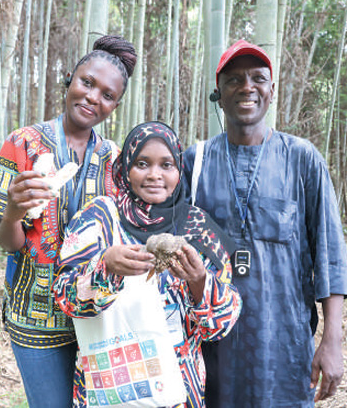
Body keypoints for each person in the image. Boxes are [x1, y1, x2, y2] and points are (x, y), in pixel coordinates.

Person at [183, 39, 347, 408]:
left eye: (258, 78)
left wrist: (332, 341)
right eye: (234, 80)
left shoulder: (302, 159)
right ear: (218, 94)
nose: (247, 87)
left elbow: (330, 256)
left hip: (284, 349)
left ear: (272, 91)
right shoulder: (195, 162)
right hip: (212, 348)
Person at [0, 35, 137, 407]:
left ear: (115, 105)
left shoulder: (115, 158)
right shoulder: (22, 142)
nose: (93, 97)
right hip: (35, 319)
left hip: (97, 316)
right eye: (87, 83)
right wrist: (13, 211)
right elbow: (7, 241)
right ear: (69, 79)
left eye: (107, 95)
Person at [52, 121, 242, 407]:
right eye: (142, 164)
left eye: (166, 165)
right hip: (112, 384)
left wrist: (199, 281)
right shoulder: (99, 218)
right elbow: (65, 299)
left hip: (179, 389)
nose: (155, 175)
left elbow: (222, 325)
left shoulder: (198, 228)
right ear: (125, 168)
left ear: (179, 171)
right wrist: (105, 267)